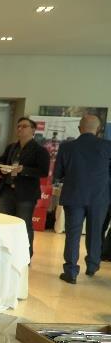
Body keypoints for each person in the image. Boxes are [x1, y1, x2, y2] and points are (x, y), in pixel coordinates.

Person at [53, 115, 111, 283]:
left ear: (79, 128)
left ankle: (71, 271)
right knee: (95, 232)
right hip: (99, 197)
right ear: (99, 130)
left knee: (73, 233)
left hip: (74, 196)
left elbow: (58, 174)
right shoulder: (108, 146)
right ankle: (92, 266)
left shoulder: (67, 147)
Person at [0, 117, 50, 258]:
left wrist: (24, 170)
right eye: (18, 126)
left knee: (24, 225)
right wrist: (2, 168)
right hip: (7, 190)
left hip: (26, 194)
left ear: (33, 130)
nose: (20, 129)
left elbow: (43, 172)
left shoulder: (40, 150)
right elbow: (0, 161)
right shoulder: (11, 147)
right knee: (5, 225)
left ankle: (25, 256)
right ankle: (6, 254)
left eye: (24, 126)